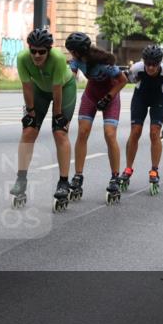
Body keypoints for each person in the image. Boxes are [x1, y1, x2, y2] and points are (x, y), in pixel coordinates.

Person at [10, 27, 77, 212]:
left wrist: (58, 116)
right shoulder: (23, 58)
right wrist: (30, 113)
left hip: (64, 88)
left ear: (48, 50)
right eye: (34, 51)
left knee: (60, 133)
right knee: (28, 131)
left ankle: (63, 182)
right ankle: (21, 179)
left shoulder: (57, 58)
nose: (37, 55)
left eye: (42, 52)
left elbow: (57, 92)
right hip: (39, 90)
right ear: (29, 48)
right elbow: (27, 87)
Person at [64, 32, 128, 204]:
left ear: (78, 51)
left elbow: (123, 80)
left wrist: (108, 97)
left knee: (109, 134)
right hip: (91, 95)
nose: (70, 54)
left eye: (71, 51)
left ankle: (115, 177)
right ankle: (78, 176)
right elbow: (70, 77)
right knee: (83, 132)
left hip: (110, 96)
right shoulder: (76, 60)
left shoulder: (104, 63)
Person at [122, 45, 163, 195]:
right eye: (148, 64)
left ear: (160, 63)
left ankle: (154, 170)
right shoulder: (136, 68)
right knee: (135, 131)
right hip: (140, 97)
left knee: (154, 132)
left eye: (154, 64)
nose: (151, 68)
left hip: (159, 98)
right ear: (144, 62)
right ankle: (128, 168)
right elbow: (131, 79)